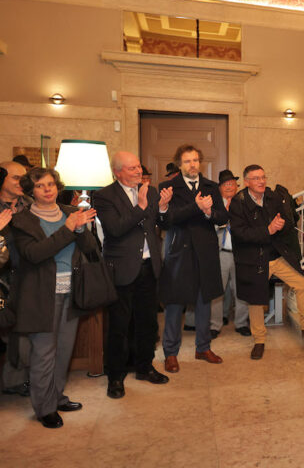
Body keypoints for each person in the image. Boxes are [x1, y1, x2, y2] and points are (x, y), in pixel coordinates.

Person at [10, 167, 98, 428]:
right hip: (41, 294)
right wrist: (69, 229)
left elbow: (91, 248)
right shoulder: (22, 220)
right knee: (44, 353)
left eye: (50, 184)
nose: (47, 189)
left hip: (72, 290)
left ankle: (57, 397)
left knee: (64, 350)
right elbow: (35, 254)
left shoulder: (71, 212)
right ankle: (44, 407)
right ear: (31, 190)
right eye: (40, 186)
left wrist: (80, 230)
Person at [228, 165, 304, 360]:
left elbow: (284, 222)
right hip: (253, 259)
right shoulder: (238, 203)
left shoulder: (272, 197)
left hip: (275, 256)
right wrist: (268, 230)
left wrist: (281, 225)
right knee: (256, 299)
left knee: (302, 283)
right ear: (247, 182)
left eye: (263, 177)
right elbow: (240, 234)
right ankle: (259, 340)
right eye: (256, 178)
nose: (261, 181)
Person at [92, 152, 169, 399]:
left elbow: (162, 224)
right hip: (121, 269)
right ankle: (115, 376)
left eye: (138, 167)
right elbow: (115, 229)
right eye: (132, 168)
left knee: (148, 323)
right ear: (117, 172)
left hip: (149, 267)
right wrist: (141, 206)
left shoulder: (151, 191)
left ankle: (145, 367)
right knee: (119, 326)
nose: (139, 171)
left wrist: (163, 209)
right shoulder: (104, 196)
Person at [158, 144, 227, 372]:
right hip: (179, 253)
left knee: (204, 302)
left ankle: (203, 348)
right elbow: (167, 220)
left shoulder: (211, 187)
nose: (192, 165)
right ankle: (170, 353)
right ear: (180, 164)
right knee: (174, 305)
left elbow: (222, 217)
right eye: (187, 161)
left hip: (205, 253)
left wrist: (209, 212)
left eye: (196, 160)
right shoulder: (167, 187)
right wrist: (196, 207)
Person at [0, 161, 32, 398]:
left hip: (26, 275)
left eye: (24, 177)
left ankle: (17, 380)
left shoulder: (30, 205)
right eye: (15, 177)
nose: (22, 182)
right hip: (2, 278)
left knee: (22, 331)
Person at [210, 169, 250, 338]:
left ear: (236, 186)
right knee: (217, 292)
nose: (229, 187)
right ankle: (215, 325)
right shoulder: (213, 205)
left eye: (232, 184)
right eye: (225, 184)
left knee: (241, 291)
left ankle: (241, 323)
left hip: (241, 253)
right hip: (221, 254)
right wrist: (223, 217)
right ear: (219, 188)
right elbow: (207, 228)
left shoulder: (244, 204)